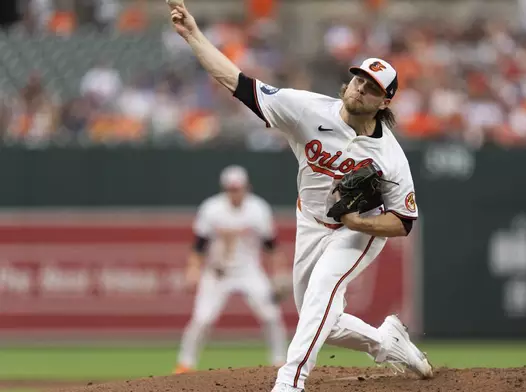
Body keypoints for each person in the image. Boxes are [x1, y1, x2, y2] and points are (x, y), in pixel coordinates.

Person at [168, 4, 433, 391]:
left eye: (373, 88)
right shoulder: (307, 109)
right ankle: (386, 343)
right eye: (359, 80)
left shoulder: (390, 157)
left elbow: (404, 221)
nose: (361, 89)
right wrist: (192, 34)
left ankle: (290, 382)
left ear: (385, 101)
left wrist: (360, 223)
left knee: (323, 290)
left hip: (357, 229)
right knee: (318, 311)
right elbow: (237, 82)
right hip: (310, 220)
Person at [174, 165, 288, 374]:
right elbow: (199, 245)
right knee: (202, 319)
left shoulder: (258, 209)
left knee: (271, 316)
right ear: (224, 188)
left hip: (249, 270)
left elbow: (271, 246)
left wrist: (279, 272)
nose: (234, 193)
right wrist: (193, 270)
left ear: (247, 187)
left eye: (238, 188)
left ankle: (279, 362)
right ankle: (184, 365)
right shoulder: (211, 208)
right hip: (217, 272)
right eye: (231, 189)